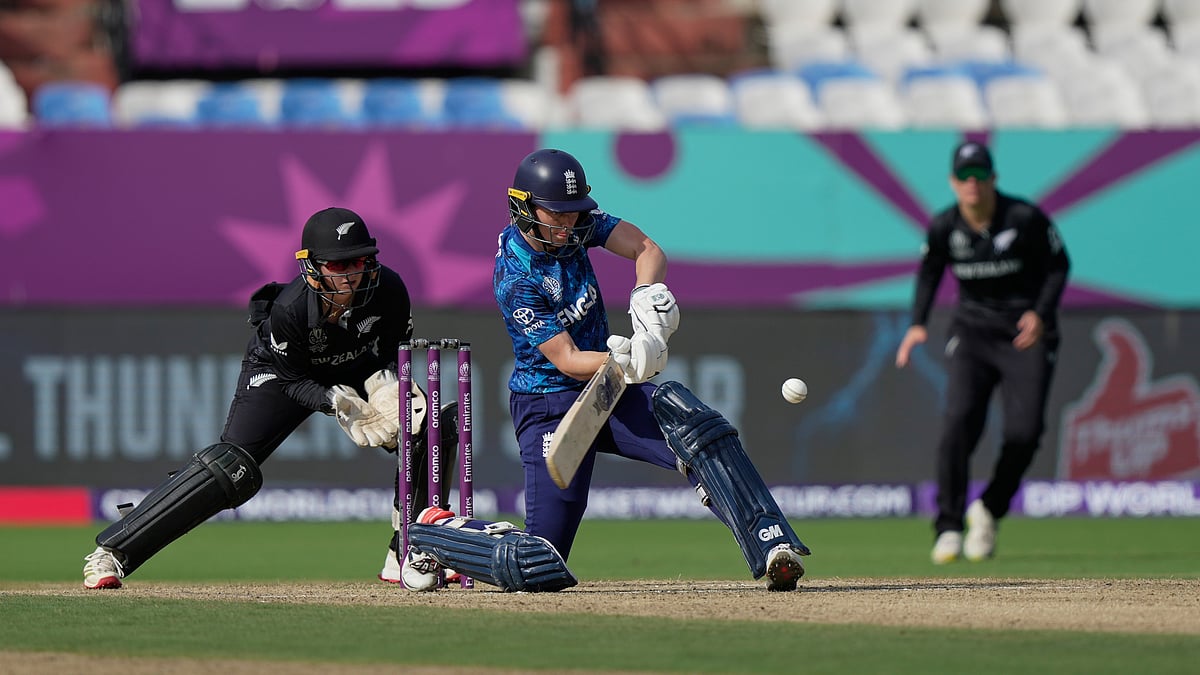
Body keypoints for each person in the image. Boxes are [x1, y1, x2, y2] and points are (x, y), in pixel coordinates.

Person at [487, 148, 810, 591]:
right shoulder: (515, 277)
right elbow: (566, 360)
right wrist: (628, 356)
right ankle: (442, 538)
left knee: (693, 426)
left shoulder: (579, 226)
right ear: (523, 207)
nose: (567, 226)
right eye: (555, 215)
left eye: (573, 213)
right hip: (550, 405)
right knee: (540, 563)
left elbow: (645, 248)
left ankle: (772, 544)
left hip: (609, 391)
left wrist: (645, 294)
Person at [82, 206, 446, 588]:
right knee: (228, 466)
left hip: (355, 368)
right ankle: (113, 552)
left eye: (359, 261)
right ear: (312, 267)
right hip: (281, 373)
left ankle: (409, 551)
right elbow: (293, 381)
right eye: (339, 266)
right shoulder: (289, 309)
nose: (352, 275)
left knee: (427, 427)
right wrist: (336, 403)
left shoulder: (390, 289)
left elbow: (390, 350)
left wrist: (384, 384)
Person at [895, 141, 1070, 564]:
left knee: (1025, 434)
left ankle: (989, 508)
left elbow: (1058, 265)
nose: (972, 184)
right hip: (972, 334)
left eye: (980, 175)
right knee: (958, 425)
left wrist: (1040, 314)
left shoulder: (1024, 218)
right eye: (965, 177)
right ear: (954, 182)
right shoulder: (944, 227)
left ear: (993, 179)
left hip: (1024, 335)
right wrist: (918, 324)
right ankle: (949, 525)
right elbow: (930, 272)